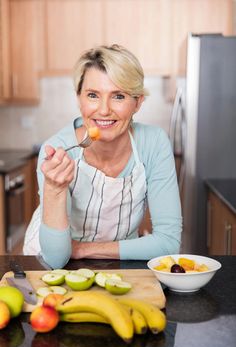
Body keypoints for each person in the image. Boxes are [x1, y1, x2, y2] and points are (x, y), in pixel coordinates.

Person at [23, 44, 182, 269]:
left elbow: (168, 243)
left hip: (118, 262)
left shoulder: (153, 143)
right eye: (92, 95)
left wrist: (82, 248)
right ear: (79, 99)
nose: (104, 110)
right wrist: (54, 189)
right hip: (52, 265)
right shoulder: (57, 150)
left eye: (118, 96)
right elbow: (56, 258)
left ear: (137, 102)